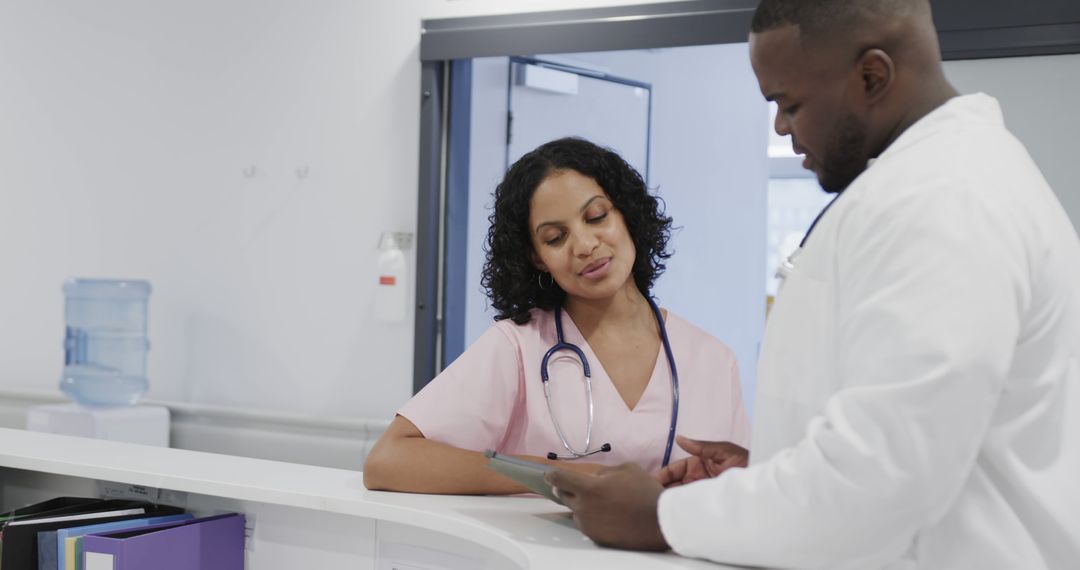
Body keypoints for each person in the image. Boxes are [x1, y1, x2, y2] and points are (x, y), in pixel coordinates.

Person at [546, 1, 1080, 568]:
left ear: (872, 76)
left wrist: (659, 518)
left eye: (788, 102)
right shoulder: (939, 180)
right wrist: (772, 471)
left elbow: (882, 478)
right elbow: (917, 440)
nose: (780, 126)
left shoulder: (946, 200)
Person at [363, 137, 751, 494]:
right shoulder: (518, 345)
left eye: (597, 216)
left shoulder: (714, 360)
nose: (584, 245)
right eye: (555, 238)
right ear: (537, 258)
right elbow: (388, 460)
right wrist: (586, 478)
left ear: (627, 214)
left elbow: (748, 491)